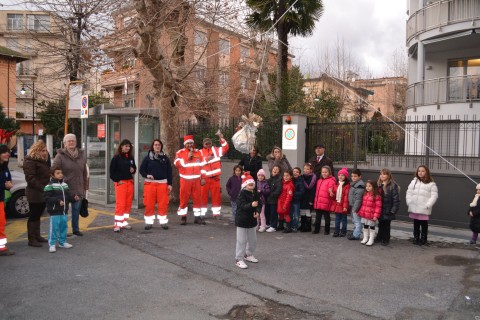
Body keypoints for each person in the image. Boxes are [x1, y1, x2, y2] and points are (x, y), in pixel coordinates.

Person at [52, 134, 88, 237]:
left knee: (76, 211)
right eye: (69, 141)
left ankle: (75, 229)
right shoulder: (60, 156)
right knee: (63, 212)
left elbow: (84, 172)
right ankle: (62, 232)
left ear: (76, 142)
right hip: (65, 189)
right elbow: (54, 171)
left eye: (73, 141)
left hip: (78, 188)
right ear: (65, 144)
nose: (71, 143)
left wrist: (85, 186)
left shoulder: (81, 155)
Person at [139, 139, 172, 230]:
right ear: (152, 147)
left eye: (159, 145)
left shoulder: (165, 158)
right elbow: (141, 170)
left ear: (161, 146)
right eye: (155, 145)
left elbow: (169, 172)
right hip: (150, 184)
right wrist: (147, 175)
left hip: (163, 184)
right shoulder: (147, 158)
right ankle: (149, 222)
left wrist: (170, 184)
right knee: (149, 203)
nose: (157, 146)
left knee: (163, 204)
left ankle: (163, 222)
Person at [23, 141, 50, 247]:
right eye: (42, 150)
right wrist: (43, 188)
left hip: (43, 192)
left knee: (38, 215)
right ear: (36, 151)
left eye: (45, 150)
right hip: (34, 193)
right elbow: (30, 178)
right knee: (34, 216)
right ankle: (32, 239)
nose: (45, 152)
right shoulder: (30, 161)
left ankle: (37, 235)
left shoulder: (42, 161)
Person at [174, 135, 204, 225]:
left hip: (197, 180)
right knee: (184, 199)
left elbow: (202, 166)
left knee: (198, 199)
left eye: (191, 143)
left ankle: (197, 217)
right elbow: (176, 163)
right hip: (185, 180)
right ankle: (183, 217)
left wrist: (203, 178)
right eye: (188, 143)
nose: (190, 145)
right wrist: (187, 157)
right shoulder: (180, 152)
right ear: (185, 144)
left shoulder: (199, 152)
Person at [406, 165, 438, 246]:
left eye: (423, 171)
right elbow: (409, 192)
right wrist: (409, 202)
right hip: (414, 207)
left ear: (426, 172)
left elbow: (434, 196)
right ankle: (416, 237)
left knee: (423, 224)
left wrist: (428, 205)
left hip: (423, 208)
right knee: (416, 223)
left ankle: (423, 239)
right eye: (419, 171)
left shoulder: (431, 184)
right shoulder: (414, 182)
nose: (420, 172)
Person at [199, 131, 229, 218]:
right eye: (206, 144)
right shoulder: (200, 153)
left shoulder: (215, 150)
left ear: (211, 144)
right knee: (203, 197)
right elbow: (198, 165)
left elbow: (226, 147)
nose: (207, 145)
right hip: (204, 179)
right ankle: (202, 213)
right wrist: (206, 159)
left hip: (215, 178)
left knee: (216, 197)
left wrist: (221, 138)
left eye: (209, 143)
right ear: (203, 144)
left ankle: (216, 213)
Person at [234, 172, 261, 269]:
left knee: (253, 240)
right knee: (241, 241)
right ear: (245, 185)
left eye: (253, 184)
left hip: (252, 221)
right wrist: (251, 205)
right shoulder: (242, 194)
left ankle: (248, 254)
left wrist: (257, 211)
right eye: (250, 185)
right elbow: (241, 206)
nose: (252, 186)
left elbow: (259, 203)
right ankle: (238, 259)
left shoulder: (255, 193)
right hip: (242, 220)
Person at [44, 166, 73, 253]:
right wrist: (57, 201)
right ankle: (52, 244)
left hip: (64, 210)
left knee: (63, 226)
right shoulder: (50, 186)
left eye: (61, 173)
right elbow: (47, 198)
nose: (60, 175)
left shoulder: (65, 185)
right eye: (58, 173)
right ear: (52, 175)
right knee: (54, 228)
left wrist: (73, 197)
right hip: (54, 211)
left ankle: (62, 242)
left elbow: (68, 196)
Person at [110, 139, 137, 232]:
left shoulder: (130, 157)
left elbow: (134, 168)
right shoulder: (116, 157)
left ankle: (124, 222)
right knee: (120, 204)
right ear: (121, 146)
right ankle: (117, 224)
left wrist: (133, 169)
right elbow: (111, 172)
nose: (127, 148)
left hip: (129, 182)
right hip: (121, 183)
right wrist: (117, 180)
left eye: (129, 146)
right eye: (125, 146)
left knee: (128, 204)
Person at [376, 168, 400, 246]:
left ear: (388, 175)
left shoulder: (393, 185)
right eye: (381, 174)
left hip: (388, 209)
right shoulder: (378, 184)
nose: (382, 175)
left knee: (386, 225)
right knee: (380, 224)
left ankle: (386, 239)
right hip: (380, 209)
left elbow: (396, 199)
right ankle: (379, 237)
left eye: (384, 174)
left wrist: (393, 210)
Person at [313, 165, 336, 235]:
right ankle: (316, 229)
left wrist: (331, 192)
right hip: (318, 202)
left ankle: (327, 230)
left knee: (327, 217)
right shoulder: (319, 181)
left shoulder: (331, 181)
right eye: (323, 172)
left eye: (326, 172)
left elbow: (331, 189)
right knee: (318, 217)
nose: (324, 173)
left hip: (326, 202)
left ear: (329, 172)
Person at [0, 145, 14, 256]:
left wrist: (8, 185)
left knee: (1, 222)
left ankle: (2, 247)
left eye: (8, 152)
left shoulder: (4, 166)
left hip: (1, 199)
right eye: (5, 152)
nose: (8, 154)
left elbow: (8, 180)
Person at [358, 180, 382, 246]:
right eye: (366, 186)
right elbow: (363, 204)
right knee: (365, 226)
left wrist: (375, 215)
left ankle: (371, 239)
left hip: (371, 215)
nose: (367, 187)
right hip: (365, 214)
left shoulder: (376, 196)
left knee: (372, 227)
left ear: (374, 187)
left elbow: (378, 206)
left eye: (369, 186)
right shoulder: (365, 194)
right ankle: (365, 238)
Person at [331, 168, 350, 238]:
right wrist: (331, 193)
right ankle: (336, 231)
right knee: (337, 219)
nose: (340, 177)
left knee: (344, 220)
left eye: (342, 175)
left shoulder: (347, 186)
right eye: (339, 175)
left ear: (345, 177)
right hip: (337, 205)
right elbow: (333, 197)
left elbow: (346, 197)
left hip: (343, 205)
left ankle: (343, 231)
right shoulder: (336, 184)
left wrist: (345, 206)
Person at [347, 169, 365, 241]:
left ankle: (356, 235)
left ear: (360, 176)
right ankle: (355, 232)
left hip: (356, 207)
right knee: (354, 221)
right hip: (353, 206)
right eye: (352, 176)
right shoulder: (354, 184)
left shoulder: (360, 186)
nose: (353, 178)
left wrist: (355, 209)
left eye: (355, 176)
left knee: (357, 221)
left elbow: (358, 199)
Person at [300, 163, 316, 232]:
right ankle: (302, 225)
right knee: (302, 212)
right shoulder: (302, 177)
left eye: (308, 169)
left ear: (311, 170)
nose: (306, 170)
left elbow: (313, 190)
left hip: (309, 198)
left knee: (308, 212)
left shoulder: (313, 178)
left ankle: (308, 227)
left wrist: (311, 200)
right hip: (303, 197)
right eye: (305, 169)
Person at [265, 165, 282, 232]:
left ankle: (273, 226)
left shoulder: (279, 180)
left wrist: (270, 195)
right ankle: (268, 224)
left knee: (273, 213)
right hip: (267, 199)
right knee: (267, 212)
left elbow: (278, 190)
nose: (275, 170)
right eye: (274, 169)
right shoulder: (269, 179)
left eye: (277, 169)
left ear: (279, 172)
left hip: (274, 200)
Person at [290, 167, 305, 232]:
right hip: (290, 200)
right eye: (294, 171)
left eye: (297, 172)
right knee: (290, 214)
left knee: (296, 215)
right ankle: (290, 226)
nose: (295, 173)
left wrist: (293, 194)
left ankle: (295, 226)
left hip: (296, 200)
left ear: (299, 174)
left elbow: (302, 191)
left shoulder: (301, 181)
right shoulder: (290, 180)